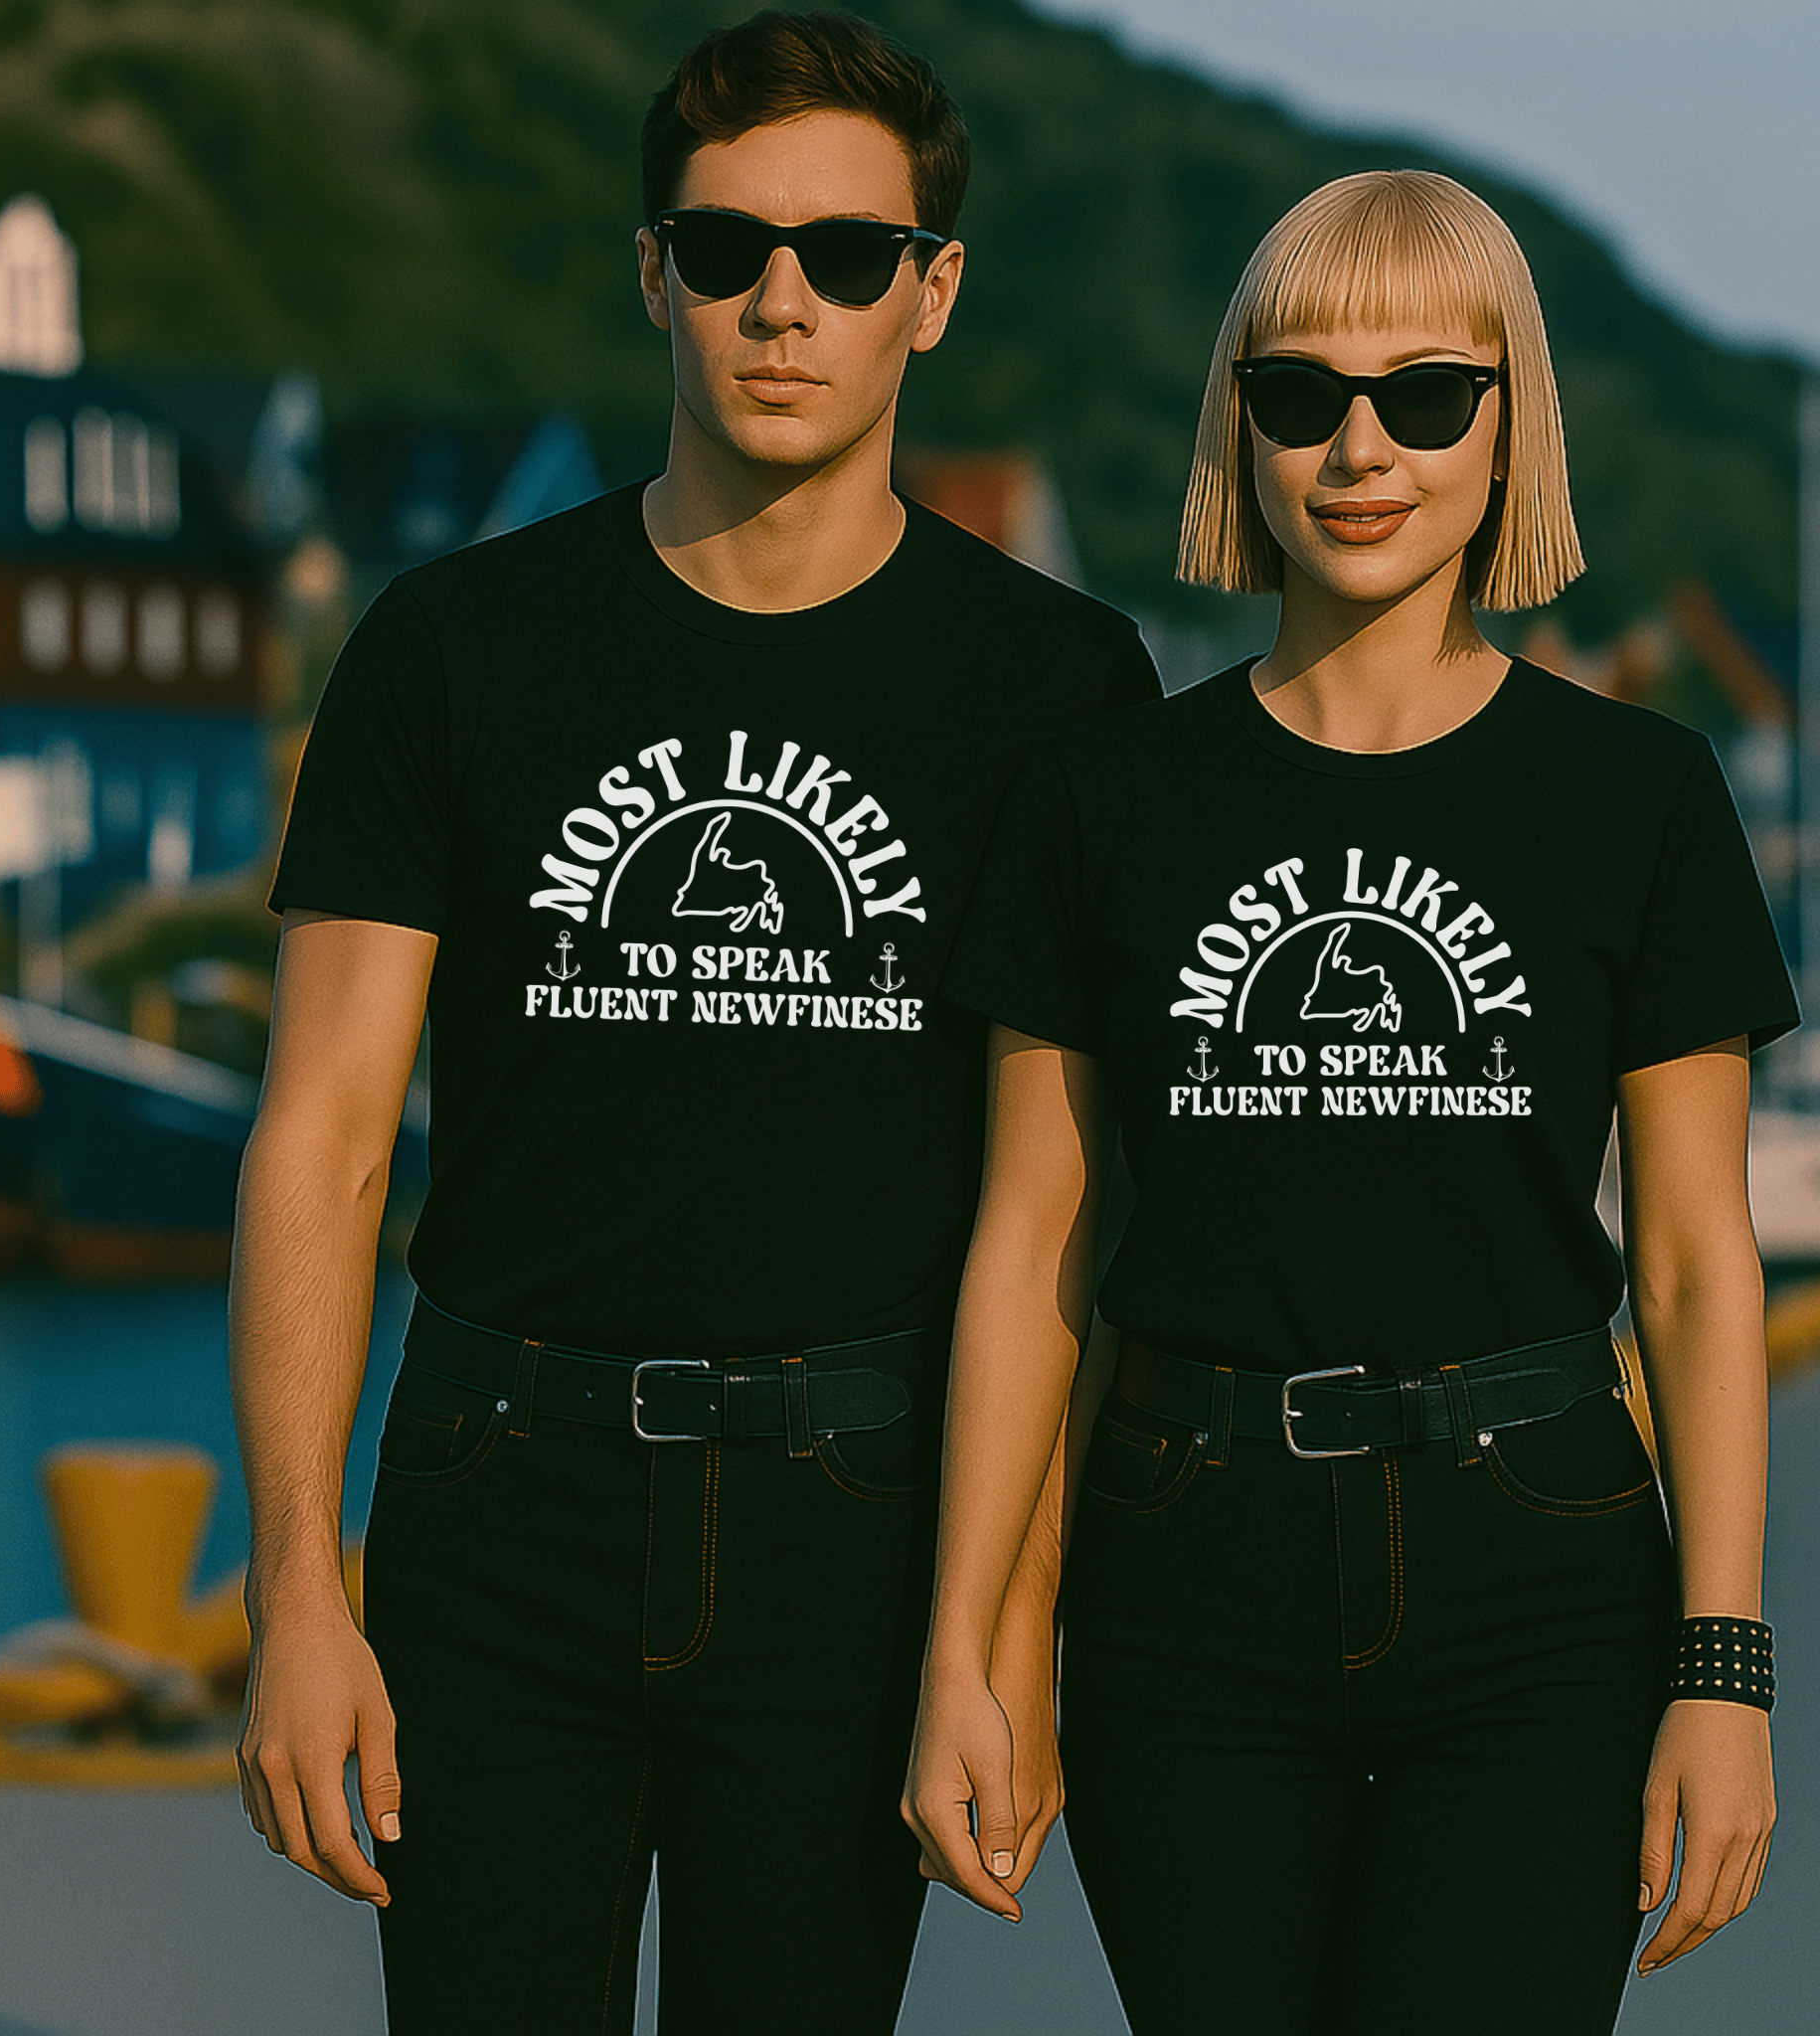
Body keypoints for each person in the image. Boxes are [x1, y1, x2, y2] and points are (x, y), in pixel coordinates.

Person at [229, 12, 1156, 2032]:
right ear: (653, 269)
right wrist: (297, 1590)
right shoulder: (450, 648)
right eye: (727, 250)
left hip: (856, 1517)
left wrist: (1004, 1637)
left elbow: (1054, 1217)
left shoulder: (1060, 691)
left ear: (934, 293)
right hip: (497, 1494)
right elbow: (323, 1137)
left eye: (843, 256)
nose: (780, 303)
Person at [904, 168, 1797, 2034]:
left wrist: (1723, 1671)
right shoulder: (1105, 801)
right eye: (1301, 396)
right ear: (1241, 426)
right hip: (1183, 1575)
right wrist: (972, 1652)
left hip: (1540, 1572)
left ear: (1511, 423)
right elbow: (1033, 1249)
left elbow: (1702, 1268)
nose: (1360, 447)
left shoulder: (1637, 795)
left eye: (1426, 396)